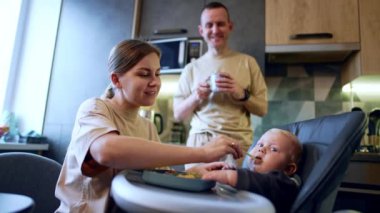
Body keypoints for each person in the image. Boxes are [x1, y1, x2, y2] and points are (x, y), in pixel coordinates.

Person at [54, 39, 243, 212]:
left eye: (157, 74)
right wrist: (202, 152)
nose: (155, 82)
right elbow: (106, 151)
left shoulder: (148, 127)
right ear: (116, 79)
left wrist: (192, 173)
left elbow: (159, 175)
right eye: (144, 74)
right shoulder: (95, 108)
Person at [173, 2, 268, 169]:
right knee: (197, 193)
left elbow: (262, 109)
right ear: (201, 30)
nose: (215, 30)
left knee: (236, 194)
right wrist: (196, 96)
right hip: (200, 143)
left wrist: (242, 94)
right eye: (209, 25)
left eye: (220, 24)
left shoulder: (248, 62)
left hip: (238, 146)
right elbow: (178, 115)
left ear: (230, 26)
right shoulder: (191, 69)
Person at [196, 128, 303, 213]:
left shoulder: (285, 184)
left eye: (273, 149)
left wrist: (230, 176)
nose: (261, 149)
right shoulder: (249, 174)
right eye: (260, 144)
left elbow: (265, 183)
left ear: (288, 169)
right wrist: (231, 173)